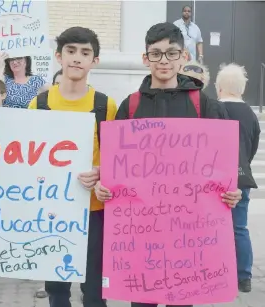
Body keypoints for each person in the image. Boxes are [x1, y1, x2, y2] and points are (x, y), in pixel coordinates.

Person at [94, 22, 242, 307]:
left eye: (171, 53)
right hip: (140, 237)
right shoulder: (131, 105)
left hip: (187, 237)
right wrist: (105, 186)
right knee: (142, 302)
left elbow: (224, 163)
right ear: (145, 58)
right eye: (156, 53)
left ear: (184, 57)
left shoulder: (204, 104)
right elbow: (115, 164)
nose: (164, 61)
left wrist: (231, 191)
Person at [28, 26, 117, 307]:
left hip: (94, 211)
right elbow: (23, 161)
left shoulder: (106, 105)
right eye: (70, 51)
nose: (77, 57)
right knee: (56, 290)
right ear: (58, 56)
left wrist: (103, 173)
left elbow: (118, 160)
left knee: (94, 291)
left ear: (95, 61)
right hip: (53, 213)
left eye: (85, 52)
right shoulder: (39, 104)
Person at [215, 63, 261, 293]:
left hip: (213, 180)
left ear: (219, 87)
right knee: (239, 227)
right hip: (241, 178)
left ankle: (214, 271)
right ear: (242, 89)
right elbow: (253, 146)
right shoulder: (251, 114)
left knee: (212, 228)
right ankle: (244, 277)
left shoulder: (213, 109)